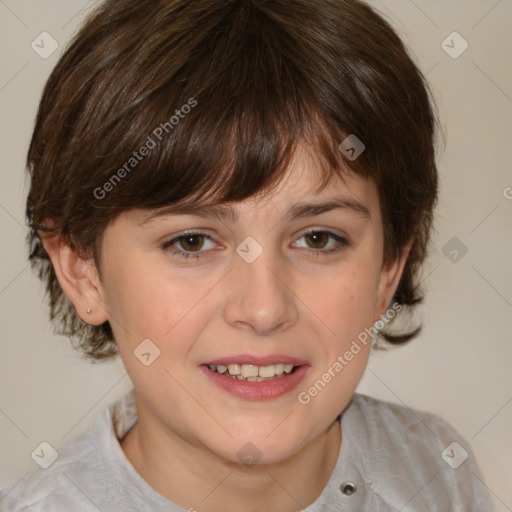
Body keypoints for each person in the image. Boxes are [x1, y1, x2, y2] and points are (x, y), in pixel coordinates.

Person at [1, 0, 495, 510]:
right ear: (83, 271)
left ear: (389, 267)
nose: (263, 309)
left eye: (318, 239)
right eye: (191, 242)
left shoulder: (437, 469)